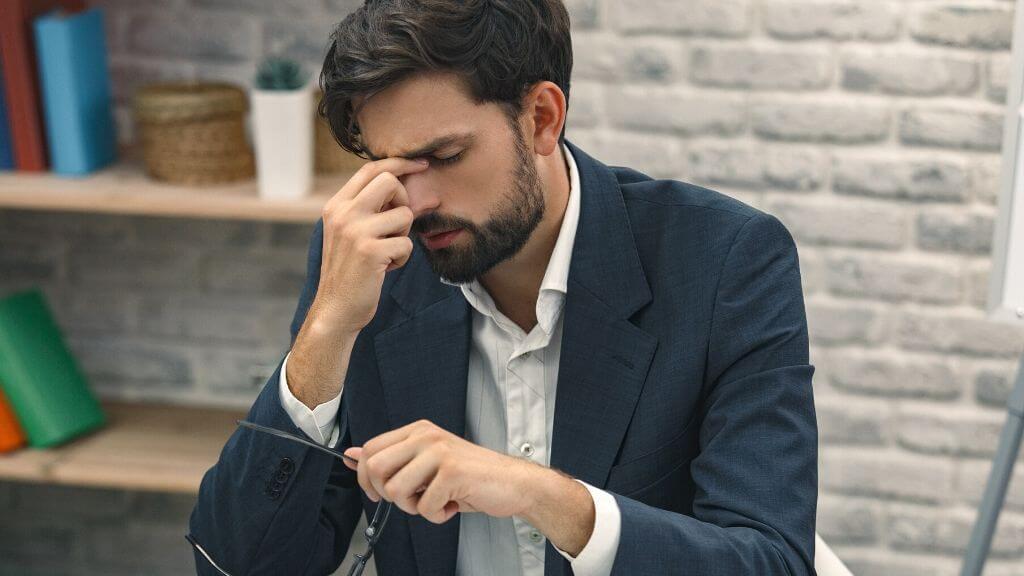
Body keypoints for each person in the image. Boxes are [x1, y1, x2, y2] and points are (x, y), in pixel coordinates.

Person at [189, 1, 818, 574]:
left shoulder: (724, 261)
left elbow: (770, 561)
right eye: (389, 166)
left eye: (445, 155)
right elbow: (236, 566)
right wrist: (325, 332)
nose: (417, 200)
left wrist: (537, 493)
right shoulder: (373, 264)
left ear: (542, 117)